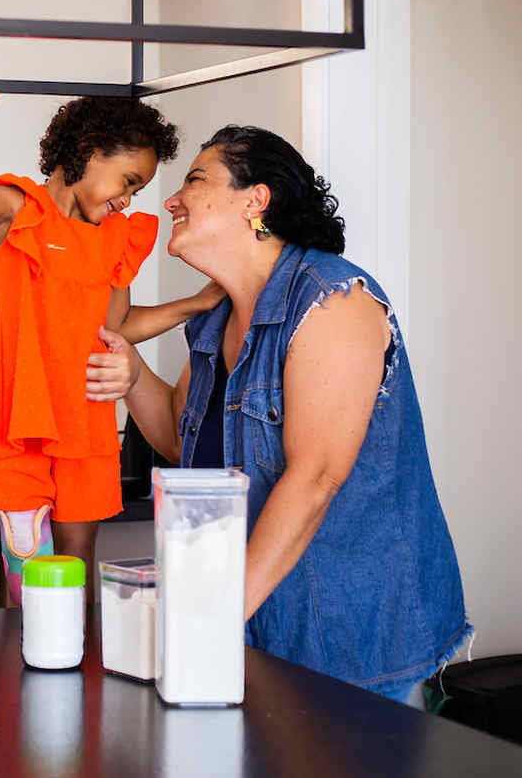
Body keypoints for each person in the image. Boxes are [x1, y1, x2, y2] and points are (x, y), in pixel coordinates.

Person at [91, 125, 471, 702]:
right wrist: (134, 373)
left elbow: (316, 476)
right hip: (254, 626)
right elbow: (179, 437)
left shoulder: (333, 298)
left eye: (193, 180)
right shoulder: (216, 318)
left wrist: (209, 625)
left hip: (347, 636)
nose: (170, 200)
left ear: (255, 200)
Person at [0, 66, 223, 602]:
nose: (129, 200)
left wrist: (194, 305)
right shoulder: (19, 208)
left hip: (86, 427)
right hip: (17, 424)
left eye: (139, 189)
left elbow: (116, 329)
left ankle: (75, 676)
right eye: (128, 181)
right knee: (24, 587)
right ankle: (20, 680)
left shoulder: (116, 241)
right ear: (87, 149)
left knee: (74, 579)